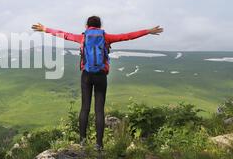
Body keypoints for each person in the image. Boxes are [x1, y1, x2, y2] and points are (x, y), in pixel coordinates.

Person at [32, 16, 163, 150]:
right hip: (101, 76)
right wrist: (148, 31)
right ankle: (99, 145)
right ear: (100, 26)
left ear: (87, 26)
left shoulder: (82, 37)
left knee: (85, 108)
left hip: (87, 76)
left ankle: (82, 142)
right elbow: (127, 36)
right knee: (99, 110)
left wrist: (45, 29)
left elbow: (63, 34)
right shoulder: (106, 37)